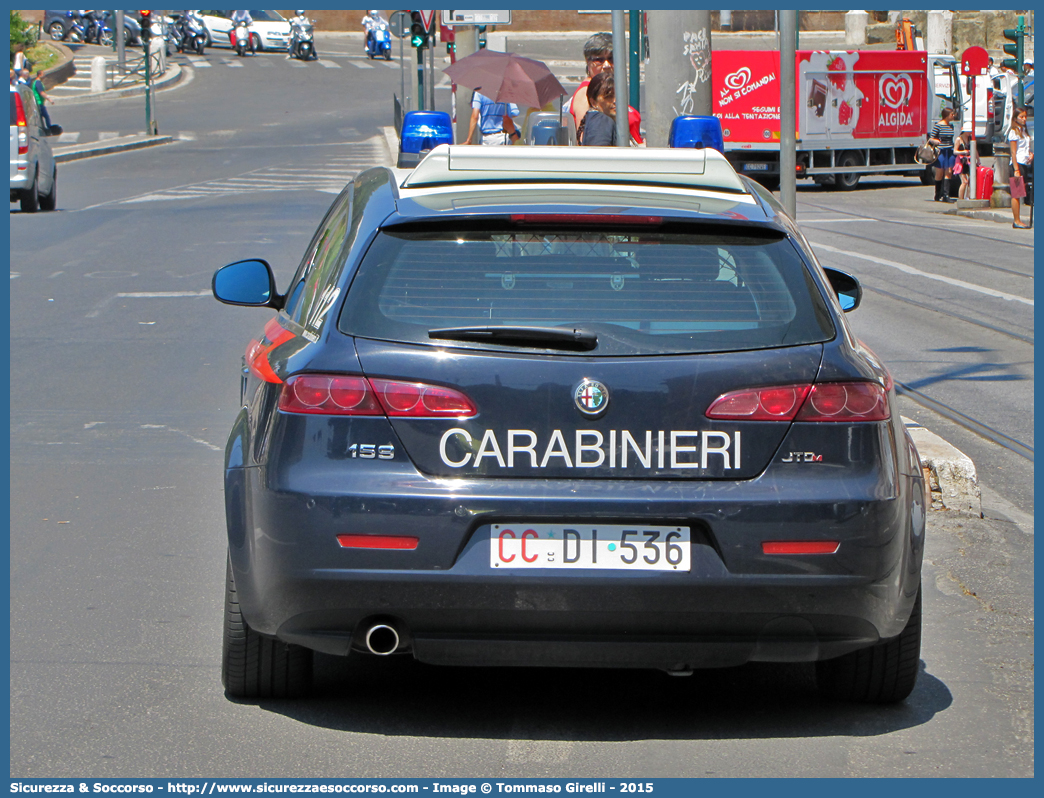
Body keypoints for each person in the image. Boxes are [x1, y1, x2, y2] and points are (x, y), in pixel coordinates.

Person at [567, 32, 643, 145]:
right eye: (599, 60)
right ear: (588, 62)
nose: (606, 65)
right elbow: (586, 139)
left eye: (611, 59)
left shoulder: (610, 86)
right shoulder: (586, 93)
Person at [1008, 106, 1033, 228]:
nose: (1024, 119)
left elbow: (1025, 148)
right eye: (1021, 117)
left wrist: (1031, 154)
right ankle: (1016, 220)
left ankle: (1018, 219)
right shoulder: (1014, 131)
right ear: (1016, 118)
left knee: (1021, 192)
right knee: (1016, 193)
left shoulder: (1024, 130)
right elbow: (1013, 152)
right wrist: (1016, 169)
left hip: (1024, 162)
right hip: (1016, 164)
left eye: (1025, 116)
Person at [578, 71, 617, 146]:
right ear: (594, 103)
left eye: (618, 95)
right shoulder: (601, 121)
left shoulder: (598, 119)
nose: (615, 101)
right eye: (608, 96)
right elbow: (599, 154)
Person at [929, 107, 957, 202]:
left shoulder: (951, 126)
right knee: (939, 173)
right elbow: (931, 138)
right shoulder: (938, 126)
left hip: (949, 150)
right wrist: (936, 141)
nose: (953, 116)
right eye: (952, 114)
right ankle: (937, 194)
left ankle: (946, 195)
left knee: (949, 171)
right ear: (947, 115)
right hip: (941, 151)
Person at [953, 129, 971, 199]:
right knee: (964, 182)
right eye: (968, 131)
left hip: (968, 161)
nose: (970, 133)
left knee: (970, 181)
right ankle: (961, 198)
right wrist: (963, 152)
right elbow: (955, 151)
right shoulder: (959, 139)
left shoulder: (970, 139)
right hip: (960, 162)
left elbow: (975, 150)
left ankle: (968, 197)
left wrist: (978, 160)